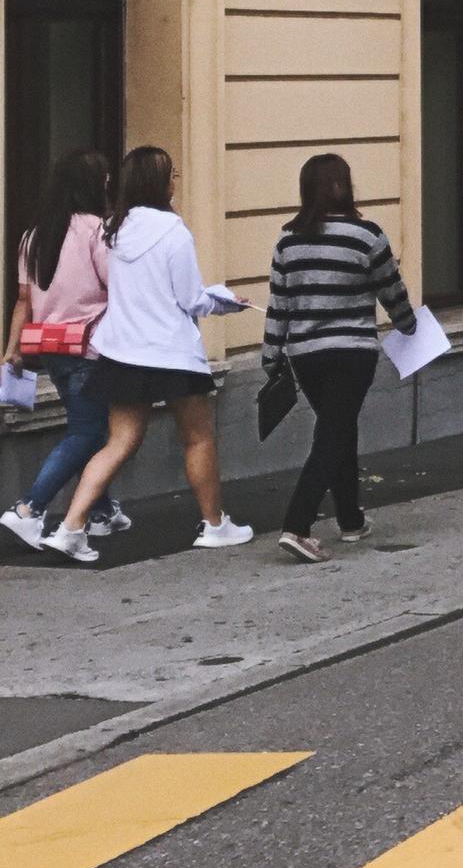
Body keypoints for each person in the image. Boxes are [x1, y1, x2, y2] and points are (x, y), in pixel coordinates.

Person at [44, 148, 251, 561]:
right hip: (171, 351)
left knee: (119, 441)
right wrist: (225, 301)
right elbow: (190, 299)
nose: (176, 178)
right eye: (172, 173)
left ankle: (71, 526)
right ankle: (213, 525)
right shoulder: (174, 231)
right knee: (197, 438)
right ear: (161, 183)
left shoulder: (114, 230)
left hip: (122, 350)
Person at [263, 152, 416, 563]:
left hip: (305, 355)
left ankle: (351, 520)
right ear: (344, 187)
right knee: (333, 434)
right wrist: (409, 327)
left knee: (338, 428)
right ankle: (297, 526)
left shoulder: (287, 241)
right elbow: (393, 291)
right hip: (352, 353)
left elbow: (280, 304)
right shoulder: (367, 236)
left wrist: (270, 355)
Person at [0, 147, 124, 552]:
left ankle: (102, 511)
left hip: (51, 348)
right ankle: (29, 509)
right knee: (88, 432)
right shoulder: (96, 231)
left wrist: (11, 349)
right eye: (106, 180)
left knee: (89, 429)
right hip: (89, 347)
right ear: (93, 185)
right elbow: (116, 287)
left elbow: (23, 298)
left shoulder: (34, 235)